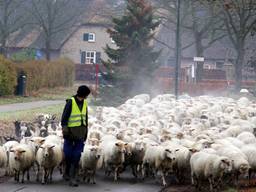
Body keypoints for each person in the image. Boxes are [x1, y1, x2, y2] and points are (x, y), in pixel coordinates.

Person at [61, 85, 91, 187]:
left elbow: (85, 118)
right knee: (68, 154)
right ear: (84, 94)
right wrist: (65, 132)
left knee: (76, 156)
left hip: (80, 134)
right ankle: (67, 171)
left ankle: (73, 177)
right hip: (70, 134)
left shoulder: (85, 103)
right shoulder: (70, 102)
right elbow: (64, 118)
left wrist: (86, 132)